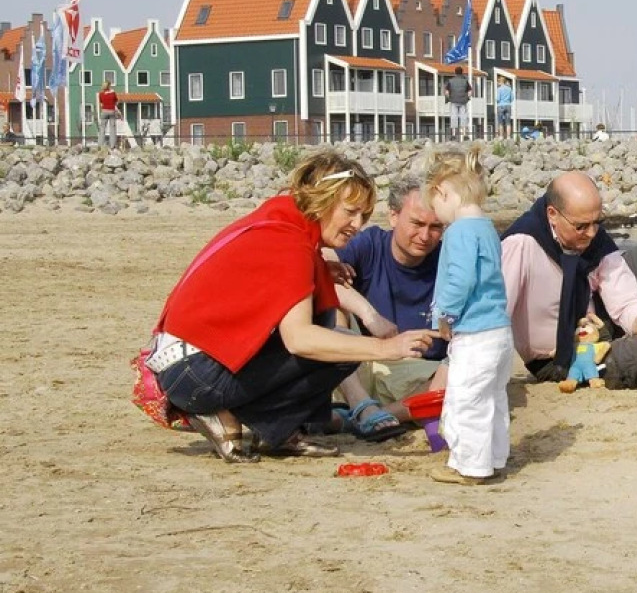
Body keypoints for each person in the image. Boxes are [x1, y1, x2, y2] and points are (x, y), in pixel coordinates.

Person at [149, 150, 437, 463]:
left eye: (364, 217)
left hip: (182, 365)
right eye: (351, 212)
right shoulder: (291, 244)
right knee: (339, 349)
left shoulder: (279, 221)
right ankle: (237, 418)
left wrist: (319, 271)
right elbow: (300, 339)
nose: (357, 224)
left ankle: (277, 429)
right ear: (323, 202)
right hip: (195, 375)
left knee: (334, 331)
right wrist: (386, 349)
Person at [501, 171, 637, 392]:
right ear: (552, 214)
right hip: (562, 359)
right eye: (581, 226)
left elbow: (623, 294)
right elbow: (495, 313)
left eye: (597, 222)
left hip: (598, 323)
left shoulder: (594, 237)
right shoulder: (520, 245)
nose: (591, 234)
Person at [330, 175, 449, 429]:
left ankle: (378, 416)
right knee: (332, 301)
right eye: (416, 223)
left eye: (436, 227)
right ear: (393, 217)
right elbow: (319, 270)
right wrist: (369, 315)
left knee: (461, 377)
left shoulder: (449, 260)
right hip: (353, 367)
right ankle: (360, 404)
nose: (425, 236)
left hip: (413, 373)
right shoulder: (370, 245)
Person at [425, 147, 512, 486]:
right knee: (493, 398)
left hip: (475, 334)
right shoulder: (488, 228)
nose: (439, 218)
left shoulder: (459, 231)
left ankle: (469, 466)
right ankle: (494, 457)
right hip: (500, 331)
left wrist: (444, 314)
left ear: (443, 191)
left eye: (436, 209)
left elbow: (461, 278)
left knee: (466, 399)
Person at [444, 70, 471, 140]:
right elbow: (470, 92)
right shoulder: (465, 81)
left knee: (454, 117)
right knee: (464, 117)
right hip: (463, 101)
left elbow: (447, 92)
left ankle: (453, 135)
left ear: (455, 72)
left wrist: (447, 98)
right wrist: (467, 98)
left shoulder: (450, 81)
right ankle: (465, 135)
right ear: (462, 72)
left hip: (453, 101)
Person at [98, 81, 119, 149]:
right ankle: (112, 145)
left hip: (104, 111)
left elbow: (101, 103)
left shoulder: (101, 94)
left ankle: (100, 145)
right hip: (112, 111)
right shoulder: (113, 93)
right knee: (112, 128)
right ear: (109, 86)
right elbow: (116, 101)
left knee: (102, 128)